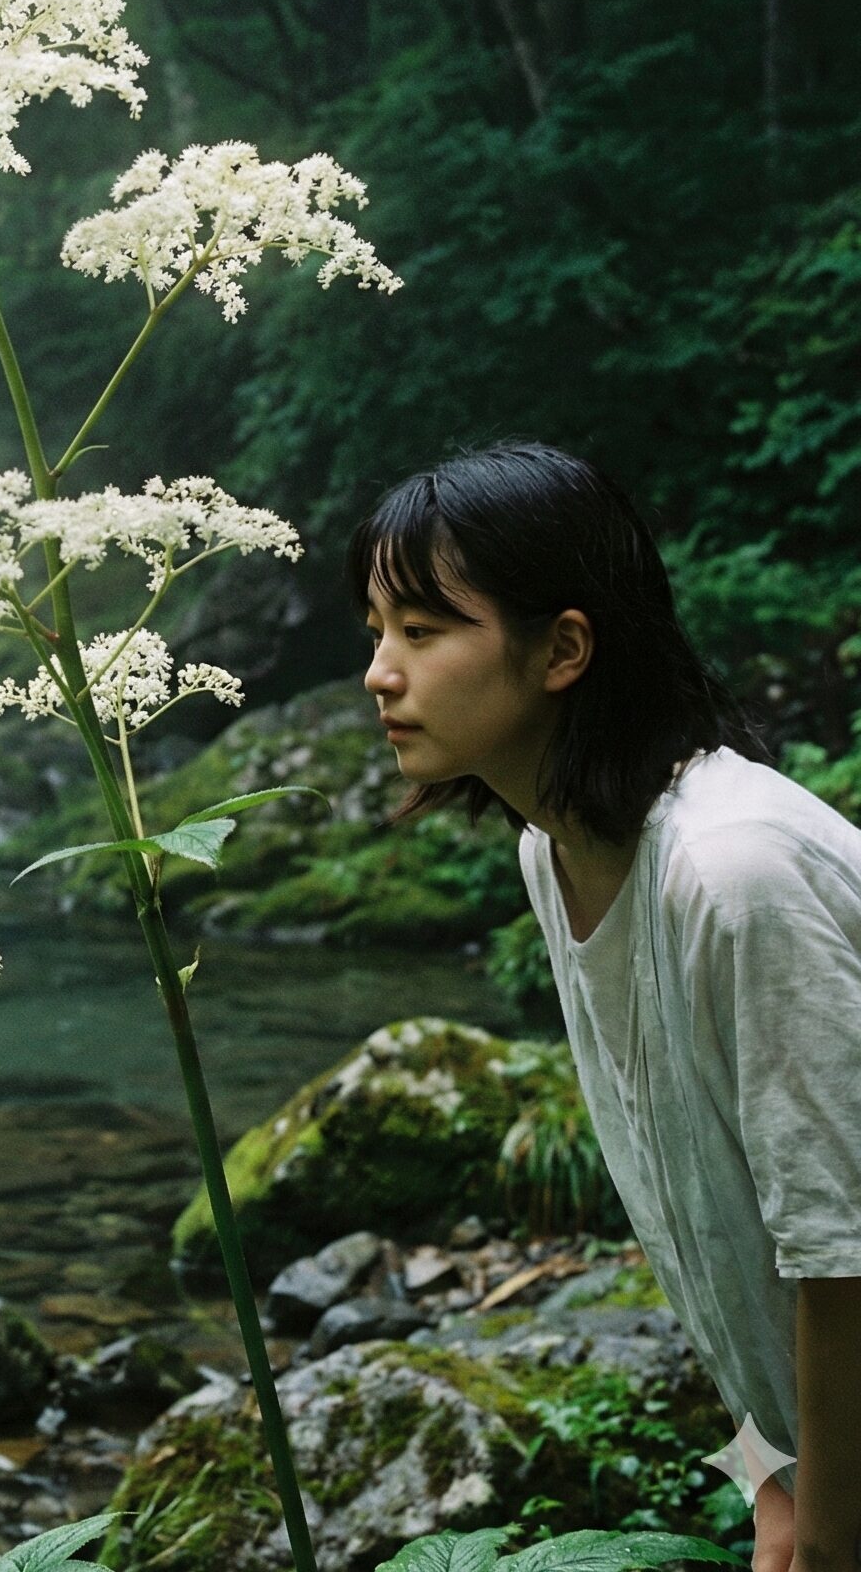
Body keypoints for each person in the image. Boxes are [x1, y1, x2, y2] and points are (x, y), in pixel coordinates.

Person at [345, 440, 861, 1572]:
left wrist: (825, 1531)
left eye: (422, 632)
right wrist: (770, 1469)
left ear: (562, 647)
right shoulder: (556, 851)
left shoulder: (735, 870)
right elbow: (699, 1214)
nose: (380, 671)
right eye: (377, 630)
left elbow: (840, 1246)